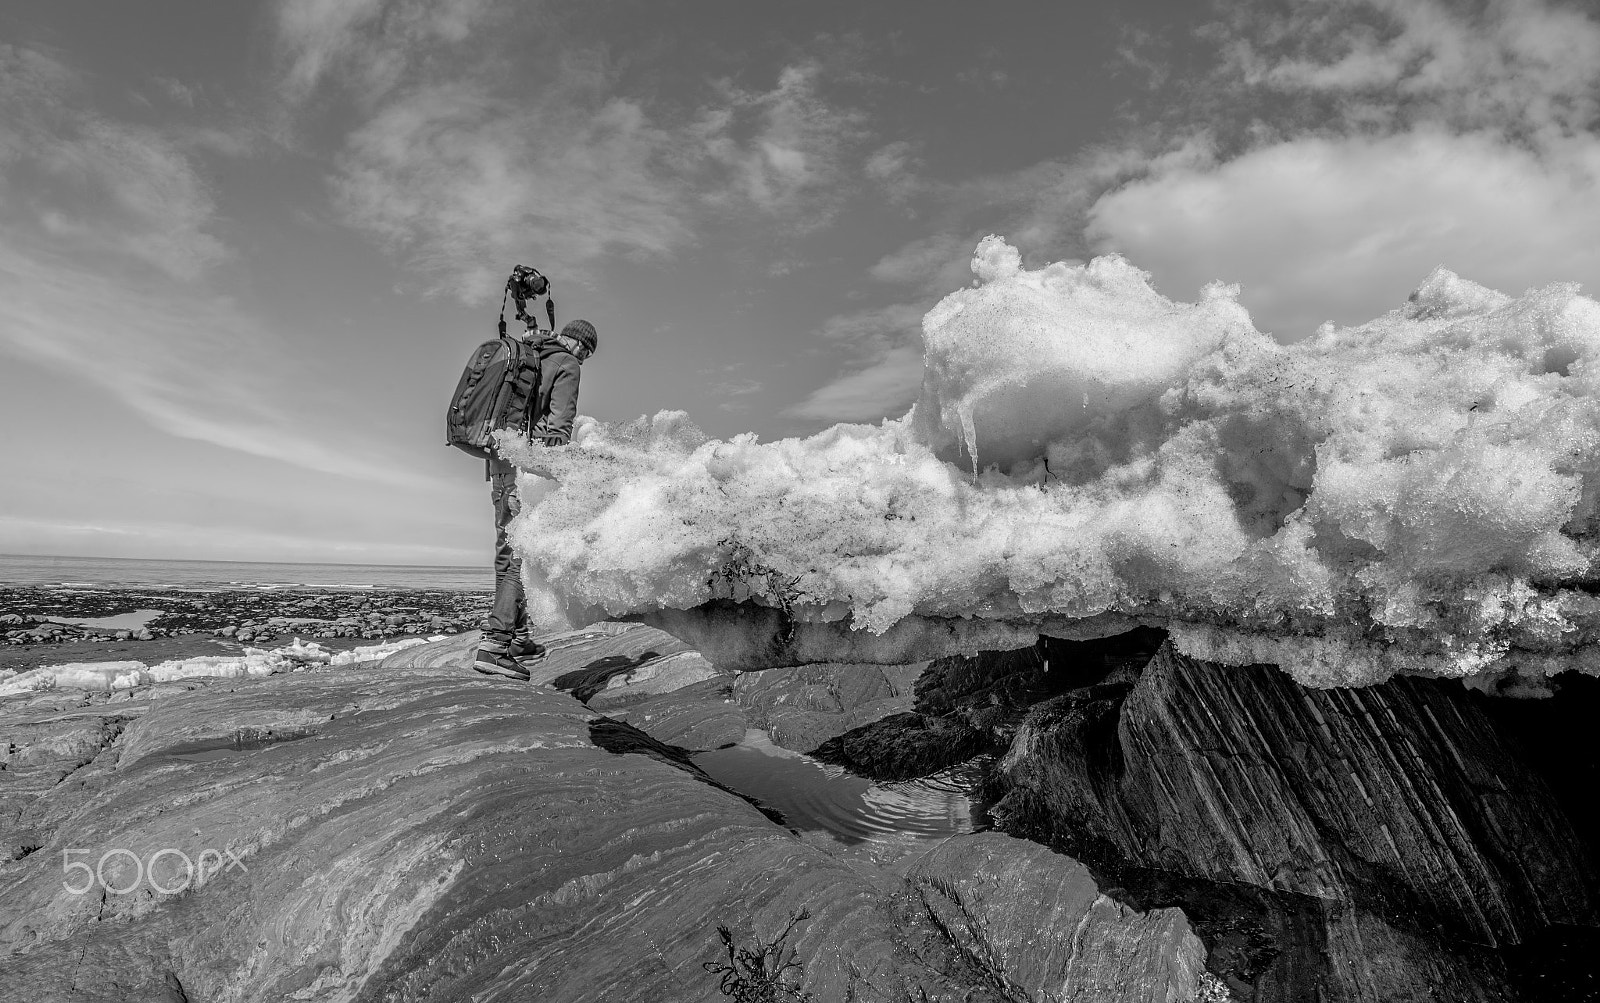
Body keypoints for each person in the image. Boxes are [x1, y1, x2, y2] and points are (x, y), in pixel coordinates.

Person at [474, 317, 599, 680]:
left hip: (498, 465)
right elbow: (557, 429)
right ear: (580, 344)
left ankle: (520, 639)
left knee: (507, 550)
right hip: (526, 471)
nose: (584, 359)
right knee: (521, 555)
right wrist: (561, 476)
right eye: (587, 352)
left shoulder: (530, 353)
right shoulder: (567, 363)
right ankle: (495, 645)